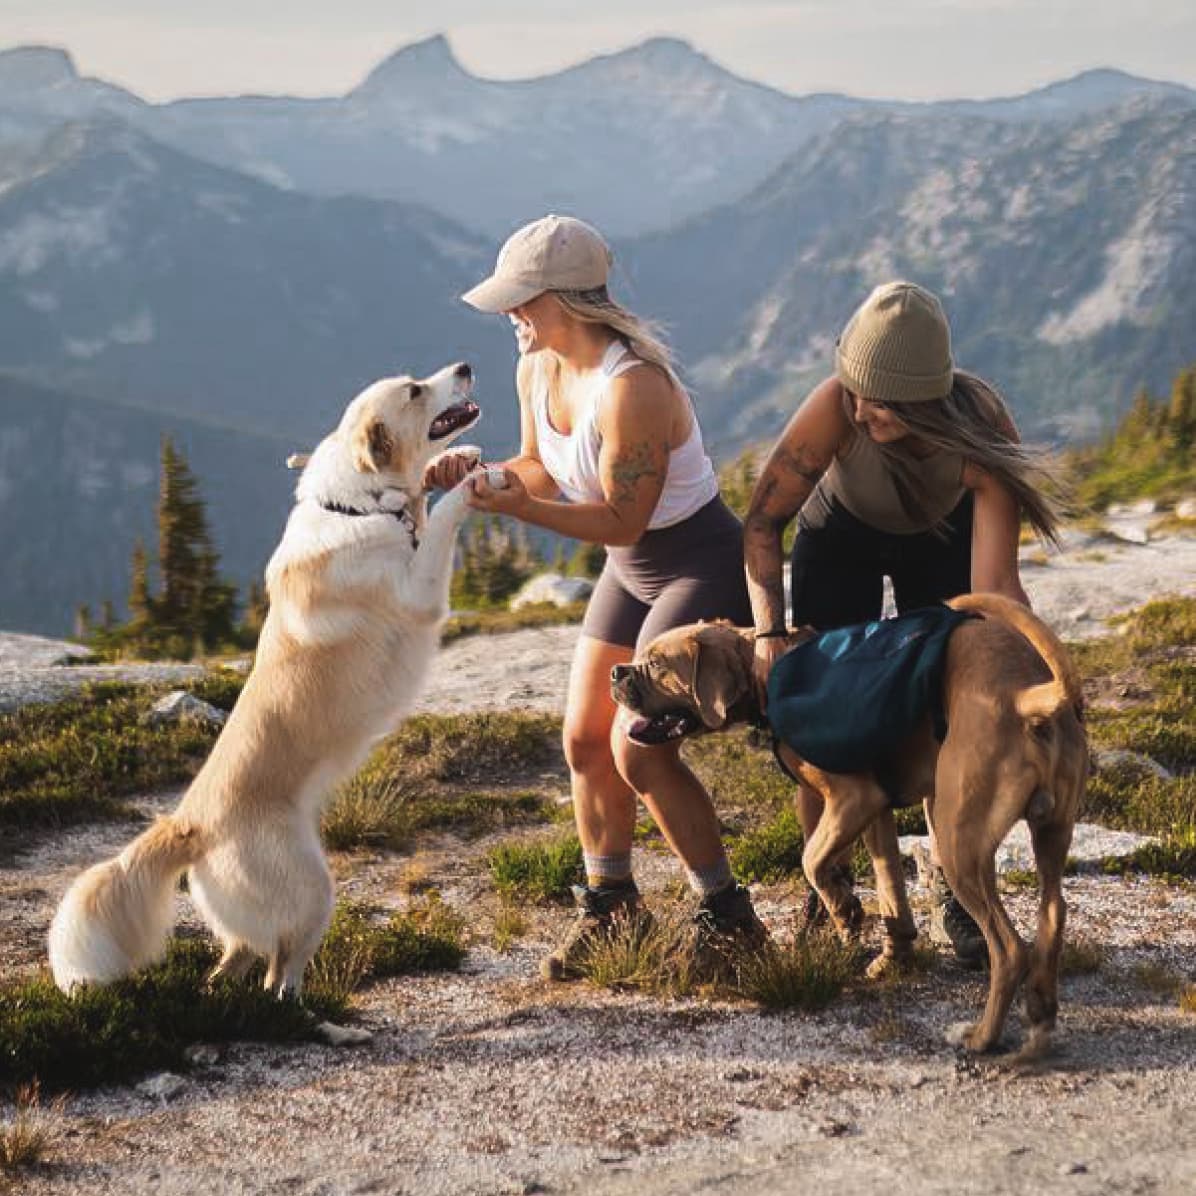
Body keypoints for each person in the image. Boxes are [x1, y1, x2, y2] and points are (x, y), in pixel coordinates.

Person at [425, 214, 765, 979]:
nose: (511, 314)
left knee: (635, 748)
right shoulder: (538, 365)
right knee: (583, 740)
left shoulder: (635, 388)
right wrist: (489, 474)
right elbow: (543, 466)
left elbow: (623, 514)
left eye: (524, 300)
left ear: (570, 300)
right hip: (632, 569)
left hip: (699, 567)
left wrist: (512, 506)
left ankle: (728, 919)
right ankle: (611, 913)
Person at [743, 281, 1061, 965]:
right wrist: (771, 636)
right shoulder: (835, 408)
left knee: (952, 718)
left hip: (940, 537)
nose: (860, 411)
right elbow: (764, 520)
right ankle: (829, 895)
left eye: (879, 402)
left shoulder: (981, 433)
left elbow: (995, 590)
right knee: (820, 728)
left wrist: (1030, 686)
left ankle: (957, 881)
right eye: (853, 391)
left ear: (925, 399)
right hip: (841, 536)